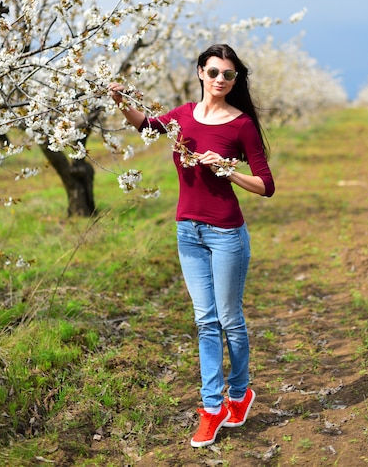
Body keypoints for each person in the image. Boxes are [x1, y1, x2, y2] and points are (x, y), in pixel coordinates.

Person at [109, 43, 275, 447]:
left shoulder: (241, 126)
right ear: (201, 71)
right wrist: (119, 101)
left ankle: (239, 393)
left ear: (236, 80)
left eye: (229, 75)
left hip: (226, 234)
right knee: (205, 320)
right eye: (214, 72)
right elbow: (146, 127)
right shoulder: (183, 116)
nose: (220, 80)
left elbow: (266, 185)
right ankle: (212, 407)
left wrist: (228, 172)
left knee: (229, 320)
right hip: (189, 232)